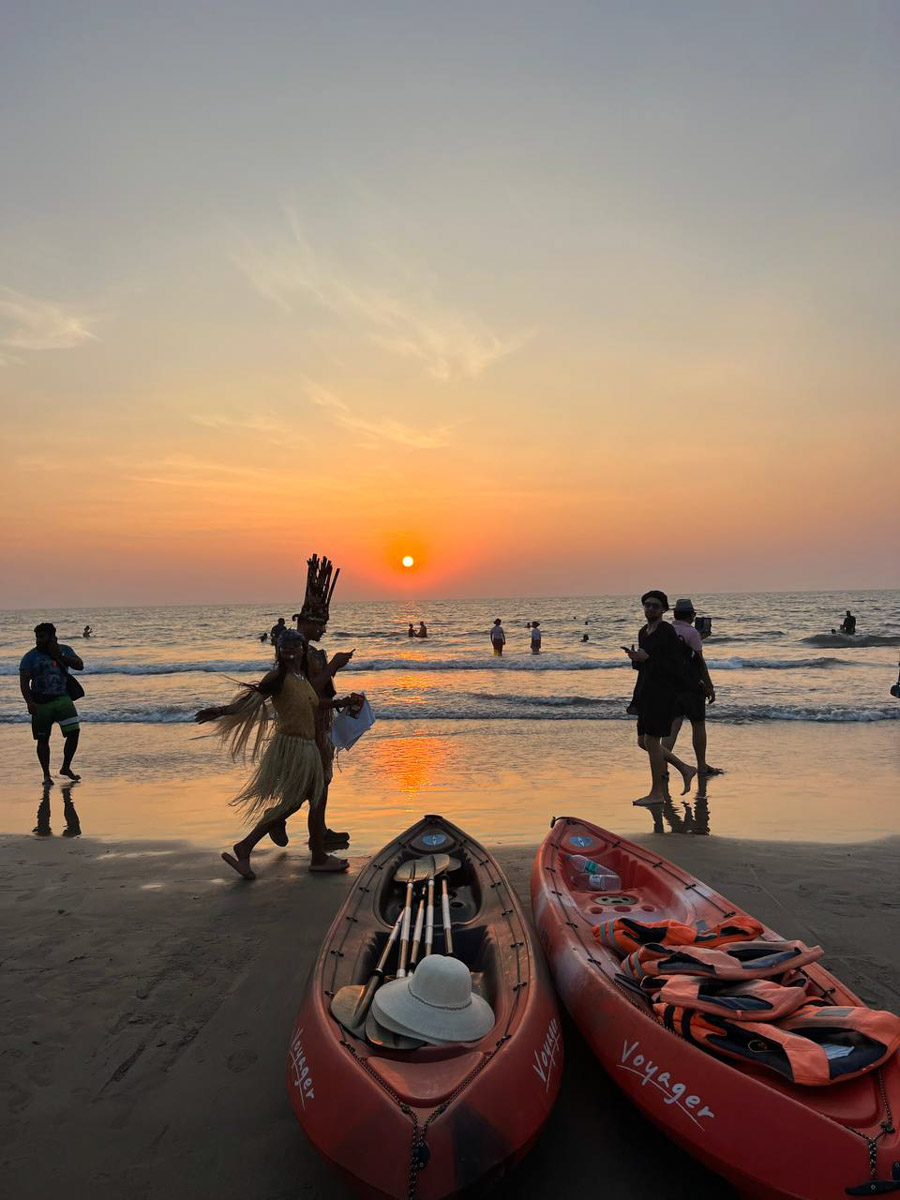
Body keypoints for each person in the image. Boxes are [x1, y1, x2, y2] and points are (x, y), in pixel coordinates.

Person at [196, 630, 363, 879]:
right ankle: (312, 857)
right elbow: (252, 700)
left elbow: (313, 703)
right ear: (279, 651)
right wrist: (222, 710)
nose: (290, 650)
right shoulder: (277, 677)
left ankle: (249, 846)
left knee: (307, 800)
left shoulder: (301, 677)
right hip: (293, 747)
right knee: (309, 799)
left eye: (295, 646)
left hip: (307, 747)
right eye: (286, 647)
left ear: (303, 650)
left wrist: (342, 703)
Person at [622, 591, 699, 807]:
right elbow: (646, 664)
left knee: (652, 741)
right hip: (645, 689)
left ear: (664, 609)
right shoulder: (643, 632)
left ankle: (657, 793)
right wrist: (636, 659)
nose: (650, 609)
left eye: (655, 606)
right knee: (643, 741)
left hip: (663, 692)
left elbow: (675, 665)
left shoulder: (666, 631)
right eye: (647, 605)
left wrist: (648, 658)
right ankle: (685, 768)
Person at [19, 623, 84, 785]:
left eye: (42, 637)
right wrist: (29, 702)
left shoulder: (65, 650)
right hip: (40, 703)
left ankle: (65, 767)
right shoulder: (29, 657)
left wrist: (60, 656)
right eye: (37, 637)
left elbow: (80, 665)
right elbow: (24, 682)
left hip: (63, 699)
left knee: (74, 733)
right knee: (43, 739)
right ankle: (46, 775)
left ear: (53, 637)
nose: (38, 640)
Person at [663, 600, 722, 778]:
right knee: (698, 724)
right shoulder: (692, 632)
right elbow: (699, 662)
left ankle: (662, 767)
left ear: (675, 615)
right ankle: (702, 765)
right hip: (691, 686)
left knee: (673, 726)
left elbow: (676, 654)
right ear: (692, 616)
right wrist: (709, 686)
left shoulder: (666, 631)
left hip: (671, 686)